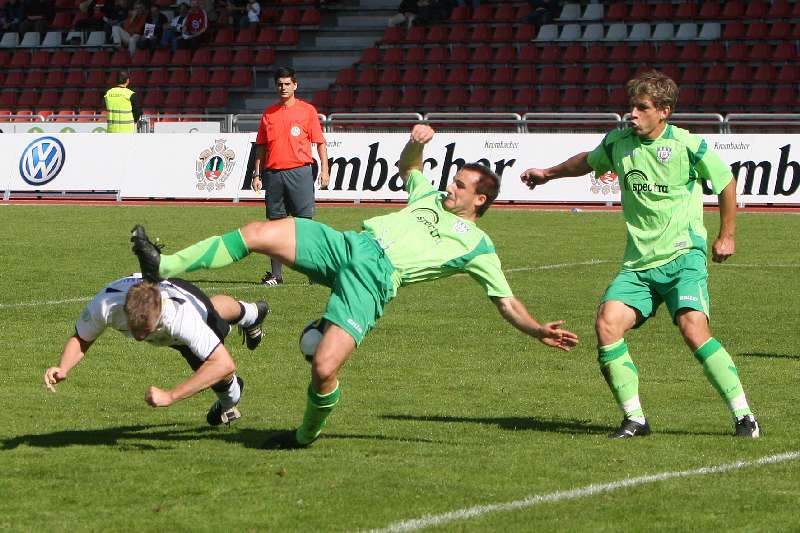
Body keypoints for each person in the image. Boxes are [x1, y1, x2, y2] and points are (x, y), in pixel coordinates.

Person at [130, 123, 579, 448]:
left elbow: (505, 301)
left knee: (324, 368)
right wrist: (415, 142)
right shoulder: (428, 196)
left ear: (480, 199)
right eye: (452, 180)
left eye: (460, 186)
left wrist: (537, 329)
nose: (450, 188)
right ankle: (162, 265)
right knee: (258, 233)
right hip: (350, 245)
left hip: (373, 280)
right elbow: (409, 166)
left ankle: (304, 435)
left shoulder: (479, 246)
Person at [519, 70, 760, 439]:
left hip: (683, 256)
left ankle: (744, 416)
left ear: (664, 111)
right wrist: (548, 174)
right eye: (632, 106)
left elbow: (725, 180)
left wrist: (727, 235)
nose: (632, 114)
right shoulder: (618, 142)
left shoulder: (686, 144)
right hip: (638, 265)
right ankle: (635, 419)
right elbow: (587, 161)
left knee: (693, 329)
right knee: (607, 323)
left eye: (642, 107)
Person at [43, 275, 270, 425]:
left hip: (184, 303)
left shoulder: (181, 319)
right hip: (170, 298)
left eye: (145, 330)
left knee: (219, 372)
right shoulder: (105, 306)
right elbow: (82, 338)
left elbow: (224, 364)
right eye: (135, 328)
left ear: (159, 315)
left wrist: (170, 396)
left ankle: (229, 402)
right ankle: (253, 313)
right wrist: (63, 367)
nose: (139, 337)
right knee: (209, 310)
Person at [250, 66, 330, 286]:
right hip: (274, 174)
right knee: (275, 226)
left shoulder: (307, 111)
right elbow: (261, 146)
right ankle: (276, 275)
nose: (283, 88)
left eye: (287, 84)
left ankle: (313, 273)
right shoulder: (269, 113)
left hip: (300, 172)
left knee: (305, 226)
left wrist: (325, 169)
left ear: (295, 85)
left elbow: (320, 142)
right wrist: (256, 174)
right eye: (280, 84)